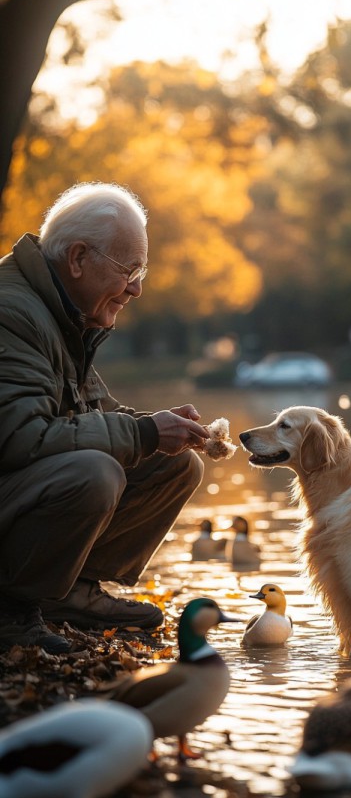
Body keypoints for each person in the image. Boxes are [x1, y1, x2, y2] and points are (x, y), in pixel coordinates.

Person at [0, 181, 210, 654]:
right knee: (94, 473)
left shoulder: (62, 310)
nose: (136, 288)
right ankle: (11, 612)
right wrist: (141, 433)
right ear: (78, 259)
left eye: (142, 272)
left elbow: (96, 414)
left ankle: (71, 591)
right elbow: (20, 439)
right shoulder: (12, 311)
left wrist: (158, 428)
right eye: (129, 269)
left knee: (176, 463)